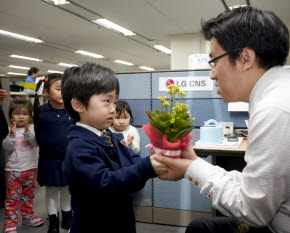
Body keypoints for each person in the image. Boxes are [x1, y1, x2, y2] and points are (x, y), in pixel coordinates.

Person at [154, 6, 290, 233]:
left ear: (245, 58)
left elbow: (252, 210)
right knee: (202, 227)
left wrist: (191, 169)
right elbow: (257, 186)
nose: (212, 74)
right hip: (288, 214)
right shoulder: (283, 93)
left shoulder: (277, 109)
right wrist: (194, 164)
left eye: (214, 61)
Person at [61, 63, 167, 233]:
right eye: (107, 101)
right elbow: (105, 184)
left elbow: (132, 160)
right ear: (79, 105)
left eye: (115, 101)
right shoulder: (80, 147)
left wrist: (154, 161)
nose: (113, 109)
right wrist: (146, 167)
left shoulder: (109, 136)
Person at [34, 73, 74, 233]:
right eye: (58, 89)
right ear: (47, 92)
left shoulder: (72, 111)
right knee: (50, 191)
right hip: (48, 159)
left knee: (66, 190)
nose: (62, 92)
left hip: (67, 159)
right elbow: (38, 136)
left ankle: (67, 218)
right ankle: (53, 221)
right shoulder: (41, 112)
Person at [3, 99, 44, 233]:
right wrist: (12, 134)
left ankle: (28, 216)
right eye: (17, 113)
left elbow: (36, 143)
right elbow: (7, 147)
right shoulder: (9, 129)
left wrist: (28, 133)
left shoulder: (32, 128)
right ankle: (10, 223)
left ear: (30, 116)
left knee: (28, 196)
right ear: (11, 115)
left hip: (31, 168)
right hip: (13, 171)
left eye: (25, 114)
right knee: (12, 199)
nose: (21, 116)